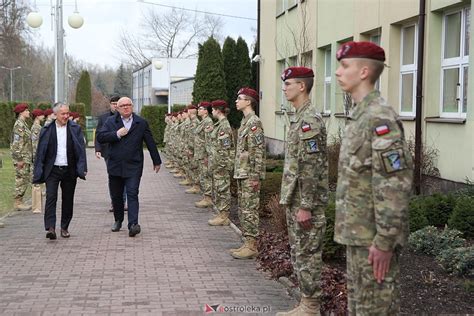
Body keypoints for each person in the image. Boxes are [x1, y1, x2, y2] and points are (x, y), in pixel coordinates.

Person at [333, 41, 413, 315]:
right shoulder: (360, 115)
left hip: (373, 242)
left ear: (364, 71)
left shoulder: (379, 119)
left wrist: (384, 241)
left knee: (375, 310)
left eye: (345, 66)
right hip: (358, 236)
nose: (338, 72)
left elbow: (394, 185)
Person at [276, 67, 328, 316]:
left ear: (302, 87)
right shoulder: (298, 117)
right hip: (296, 198)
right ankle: (305, 303)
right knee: (299, 252)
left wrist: (306, 205)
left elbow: (311, 166)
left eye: (288, 84)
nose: (284, 88)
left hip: (306, 202)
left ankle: (311, 307)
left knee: (307, 254)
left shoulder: (309, 122)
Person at [96, 96, 162, 237]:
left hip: (134, 165)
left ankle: (133, 224)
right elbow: (101, 137)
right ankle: (118, 220)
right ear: (118, 108)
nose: (126, 107)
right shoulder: (110, 121)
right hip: (115, 164)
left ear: (132, 106)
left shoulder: (141, 122)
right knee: (117, 196)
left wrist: (157, 160)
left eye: (128, 105)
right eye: (122, 105)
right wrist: (116, 134)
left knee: (132, 193)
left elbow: (150, 142)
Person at [33, 103, 87, 240]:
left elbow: (81, 150)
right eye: (63, 114)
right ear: (55, 114)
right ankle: (50, 228)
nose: (66, 116)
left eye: (67, 113)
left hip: (69, 169)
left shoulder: (75, 128)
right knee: (51, 197)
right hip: (52, 170)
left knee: (68, 199)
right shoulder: (47, 129)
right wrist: (38, 170)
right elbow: (40, 152)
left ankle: (64, 227)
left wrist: (82, 168)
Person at [230, 87, 266, 259]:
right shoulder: (245, 122)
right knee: (244, 209)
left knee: (250, 209)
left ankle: (252, 246)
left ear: (249, 101)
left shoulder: (254, 123)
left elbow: (257, 152)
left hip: (249, 174)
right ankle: (247, 242)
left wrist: (255, 176)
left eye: (240, 98)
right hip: (242, 173)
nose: (236, 101)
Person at [95, 95, 126, 213]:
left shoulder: (126, 117)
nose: (115, 106)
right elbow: (99, 134)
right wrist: (98, 149)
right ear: (110, 105)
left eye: (117, 103)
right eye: (113, 103)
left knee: (125, 176)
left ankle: (122, 202)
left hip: (123, 152)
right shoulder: (103, 118)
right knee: (113, 177)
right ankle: (115, 202)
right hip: (108, 152)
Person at [207, 100, 234, 226]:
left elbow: (225, 148)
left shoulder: (224, 126)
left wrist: (221, 166)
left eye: (212, 109)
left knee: (222, 190)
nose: (212, 112)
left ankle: (224, 216)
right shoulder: (219, 125)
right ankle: (221, 214)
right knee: (218, 190)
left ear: (218, 110)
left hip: (221, 165)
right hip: (217, 164)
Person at [10, 103, 33, 212]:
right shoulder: (19, 125)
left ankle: (20, 201)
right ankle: (17, 202)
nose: (29, 112)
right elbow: (16, 143)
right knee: (21, 179)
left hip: (25, 157)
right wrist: (19, 159)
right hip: (21, 158)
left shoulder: (24, 124)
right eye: (27, 110)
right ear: (21, 112)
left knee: (25, 179)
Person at [194, 102, 214, 208]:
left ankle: (208, 198)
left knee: (206, 176)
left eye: (201, 108)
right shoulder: (203, 122)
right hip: (200, 153)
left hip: (204, 154)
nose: (198, 110)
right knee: (202, 175)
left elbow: (209, 141)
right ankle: (205, 197)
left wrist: (207, 155)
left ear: (206, 110)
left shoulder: (208, 122)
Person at [31, 108, 45, 214]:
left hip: (38, 157)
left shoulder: (39, 127)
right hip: (37, 157)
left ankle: (38, 205)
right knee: (36, 181)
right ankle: (36, 207)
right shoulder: (36, 128)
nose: (43, 116)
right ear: (37, 117)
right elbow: (35, 144)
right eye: (41, 115)